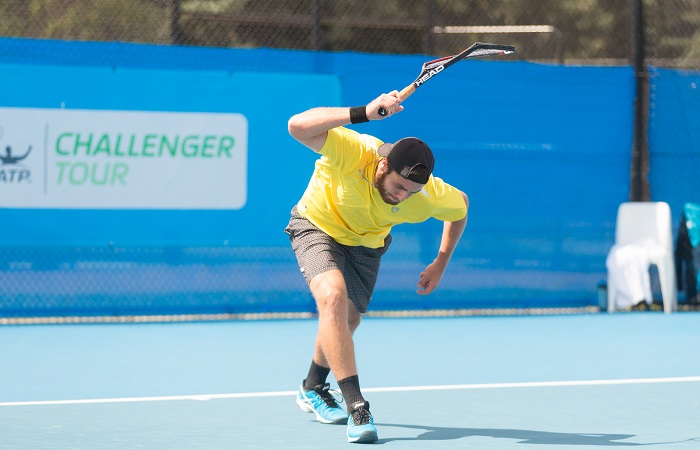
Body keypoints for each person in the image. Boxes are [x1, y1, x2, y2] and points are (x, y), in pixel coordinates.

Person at [284, 91, 469, 444]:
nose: (402, 196)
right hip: (317, 226)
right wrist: (362, 113)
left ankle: (312, 387)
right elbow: (297, 126)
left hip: (367, 246)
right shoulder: (356, 152)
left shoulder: (423, 197)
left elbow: (461, 206)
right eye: (400, 186)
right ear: (384, 166)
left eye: (411, 192)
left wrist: (440, 262)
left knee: (347, 319)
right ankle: (357, 406)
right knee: (332, 299)